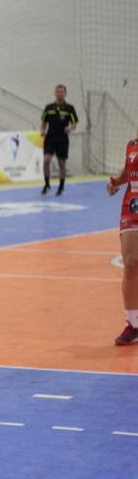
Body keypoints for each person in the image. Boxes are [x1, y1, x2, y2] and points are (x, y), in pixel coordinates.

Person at [106, 137, 138, 346]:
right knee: (131, 263)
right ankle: (134, 325)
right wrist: (116, 181)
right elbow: (129, 171)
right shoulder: (132, 145)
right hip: (132, 206)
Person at [40, 84, 78, 196]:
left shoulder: (69, 108)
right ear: (55, 93)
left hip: (62, 138)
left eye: (62, 92)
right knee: (46, 160)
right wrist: (42, 130)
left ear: (65, 94)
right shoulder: (49, 108)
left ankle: (61, 187)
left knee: (61, 163)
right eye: (58, 92)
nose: (60, 94)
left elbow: (74, 123)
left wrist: (70, 128)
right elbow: (43, 123)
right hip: (50, 137)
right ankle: (47, 185)